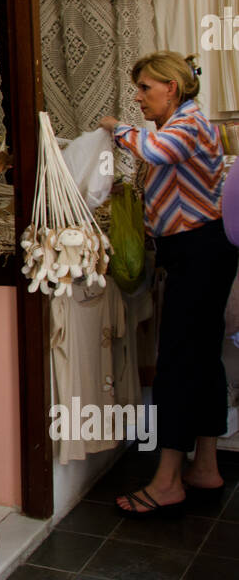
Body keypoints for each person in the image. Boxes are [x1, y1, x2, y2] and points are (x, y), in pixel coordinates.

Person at [98, 52, 238, 515]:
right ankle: (205, 466)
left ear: (171, 89)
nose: (138, 97)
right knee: (201, 358)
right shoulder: (185, 124)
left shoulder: (189, 124)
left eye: (145, 88)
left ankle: (167, 481)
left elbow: (154, 151)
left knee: (177, 362)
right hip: (204, 252)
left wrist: (113, 126)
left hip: (199, 253)